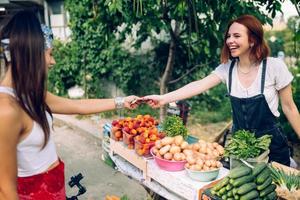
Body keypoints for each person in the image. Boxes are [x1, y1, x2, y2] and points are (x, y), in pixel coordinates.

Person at [0, 10, 138, 200]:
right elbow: (6, 191)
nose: (52, 61)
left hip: (54, 190)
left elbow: (78, 106)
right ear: (30, 54)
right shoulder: (5, 110)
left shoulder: (30, 94)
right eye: (50, 54)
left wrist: (122, 101)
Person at [143, 15, 300, 166]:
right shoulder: (227, 69)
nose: (230, 40)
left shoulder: (273, 67)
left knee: (278, 191)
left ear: (252, 40)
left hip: (272, 146)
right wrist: (163, 98)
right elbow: (198, 85)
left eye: (237, 36)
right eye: (229, 36)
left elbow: (290, 108)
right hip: (241, 147)